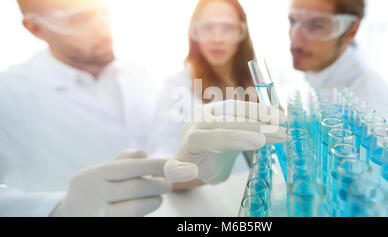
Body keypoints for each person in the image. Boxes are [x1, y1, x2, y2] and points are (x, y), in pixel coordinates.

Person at [0, 0, 286, 217]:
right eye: (81, 18)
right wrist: (55, 209)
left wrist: (195, 167)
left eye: (102, 11)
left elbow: (160, 156)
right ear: (35, 28)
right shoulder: (9, 93)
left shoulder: (139, 75)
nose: (102, 27)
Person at [153, 0, 260, 183]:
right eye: (207, 27)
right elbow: (160, 171)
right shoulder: (176, 87)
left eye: (227, 28)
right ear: (194, 33)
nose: (217, 38)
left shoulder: (258, 83)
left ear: (241, 33)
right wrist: (201, 174)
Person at [289, 0, 388, 128]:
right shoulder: (320, 69)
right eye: (293, 21)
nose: (295, 42)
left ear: (351, 30)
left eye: (316, 26)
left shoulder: (369, 100)